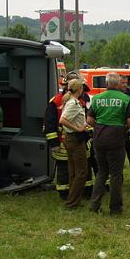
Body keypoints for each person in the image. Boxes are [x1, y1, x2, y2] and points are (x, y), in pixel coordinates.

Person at [87, 72, 130, 214]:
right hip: (116, 139)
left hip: (99, 138)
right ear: (118, 83)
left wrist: (100, 126)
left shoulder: (96, 98)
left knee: (102, 172)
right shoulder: (126, 99)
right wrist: (123, 128)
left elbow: (89, 120)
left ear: (107, 83)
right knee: (115, 174)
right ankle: (115, 208)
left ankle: (94, 205)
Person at [58, 78, 90, 209]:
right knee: (81, 172)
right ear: (80, 89)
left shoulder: (70, 101)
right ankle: (73, 202)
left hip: (70, 139)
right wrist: (78, 128)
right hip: (75, 139)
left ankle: (73, 200)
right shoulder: (73, 103)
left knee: (73, 172)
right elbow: (63, 120)